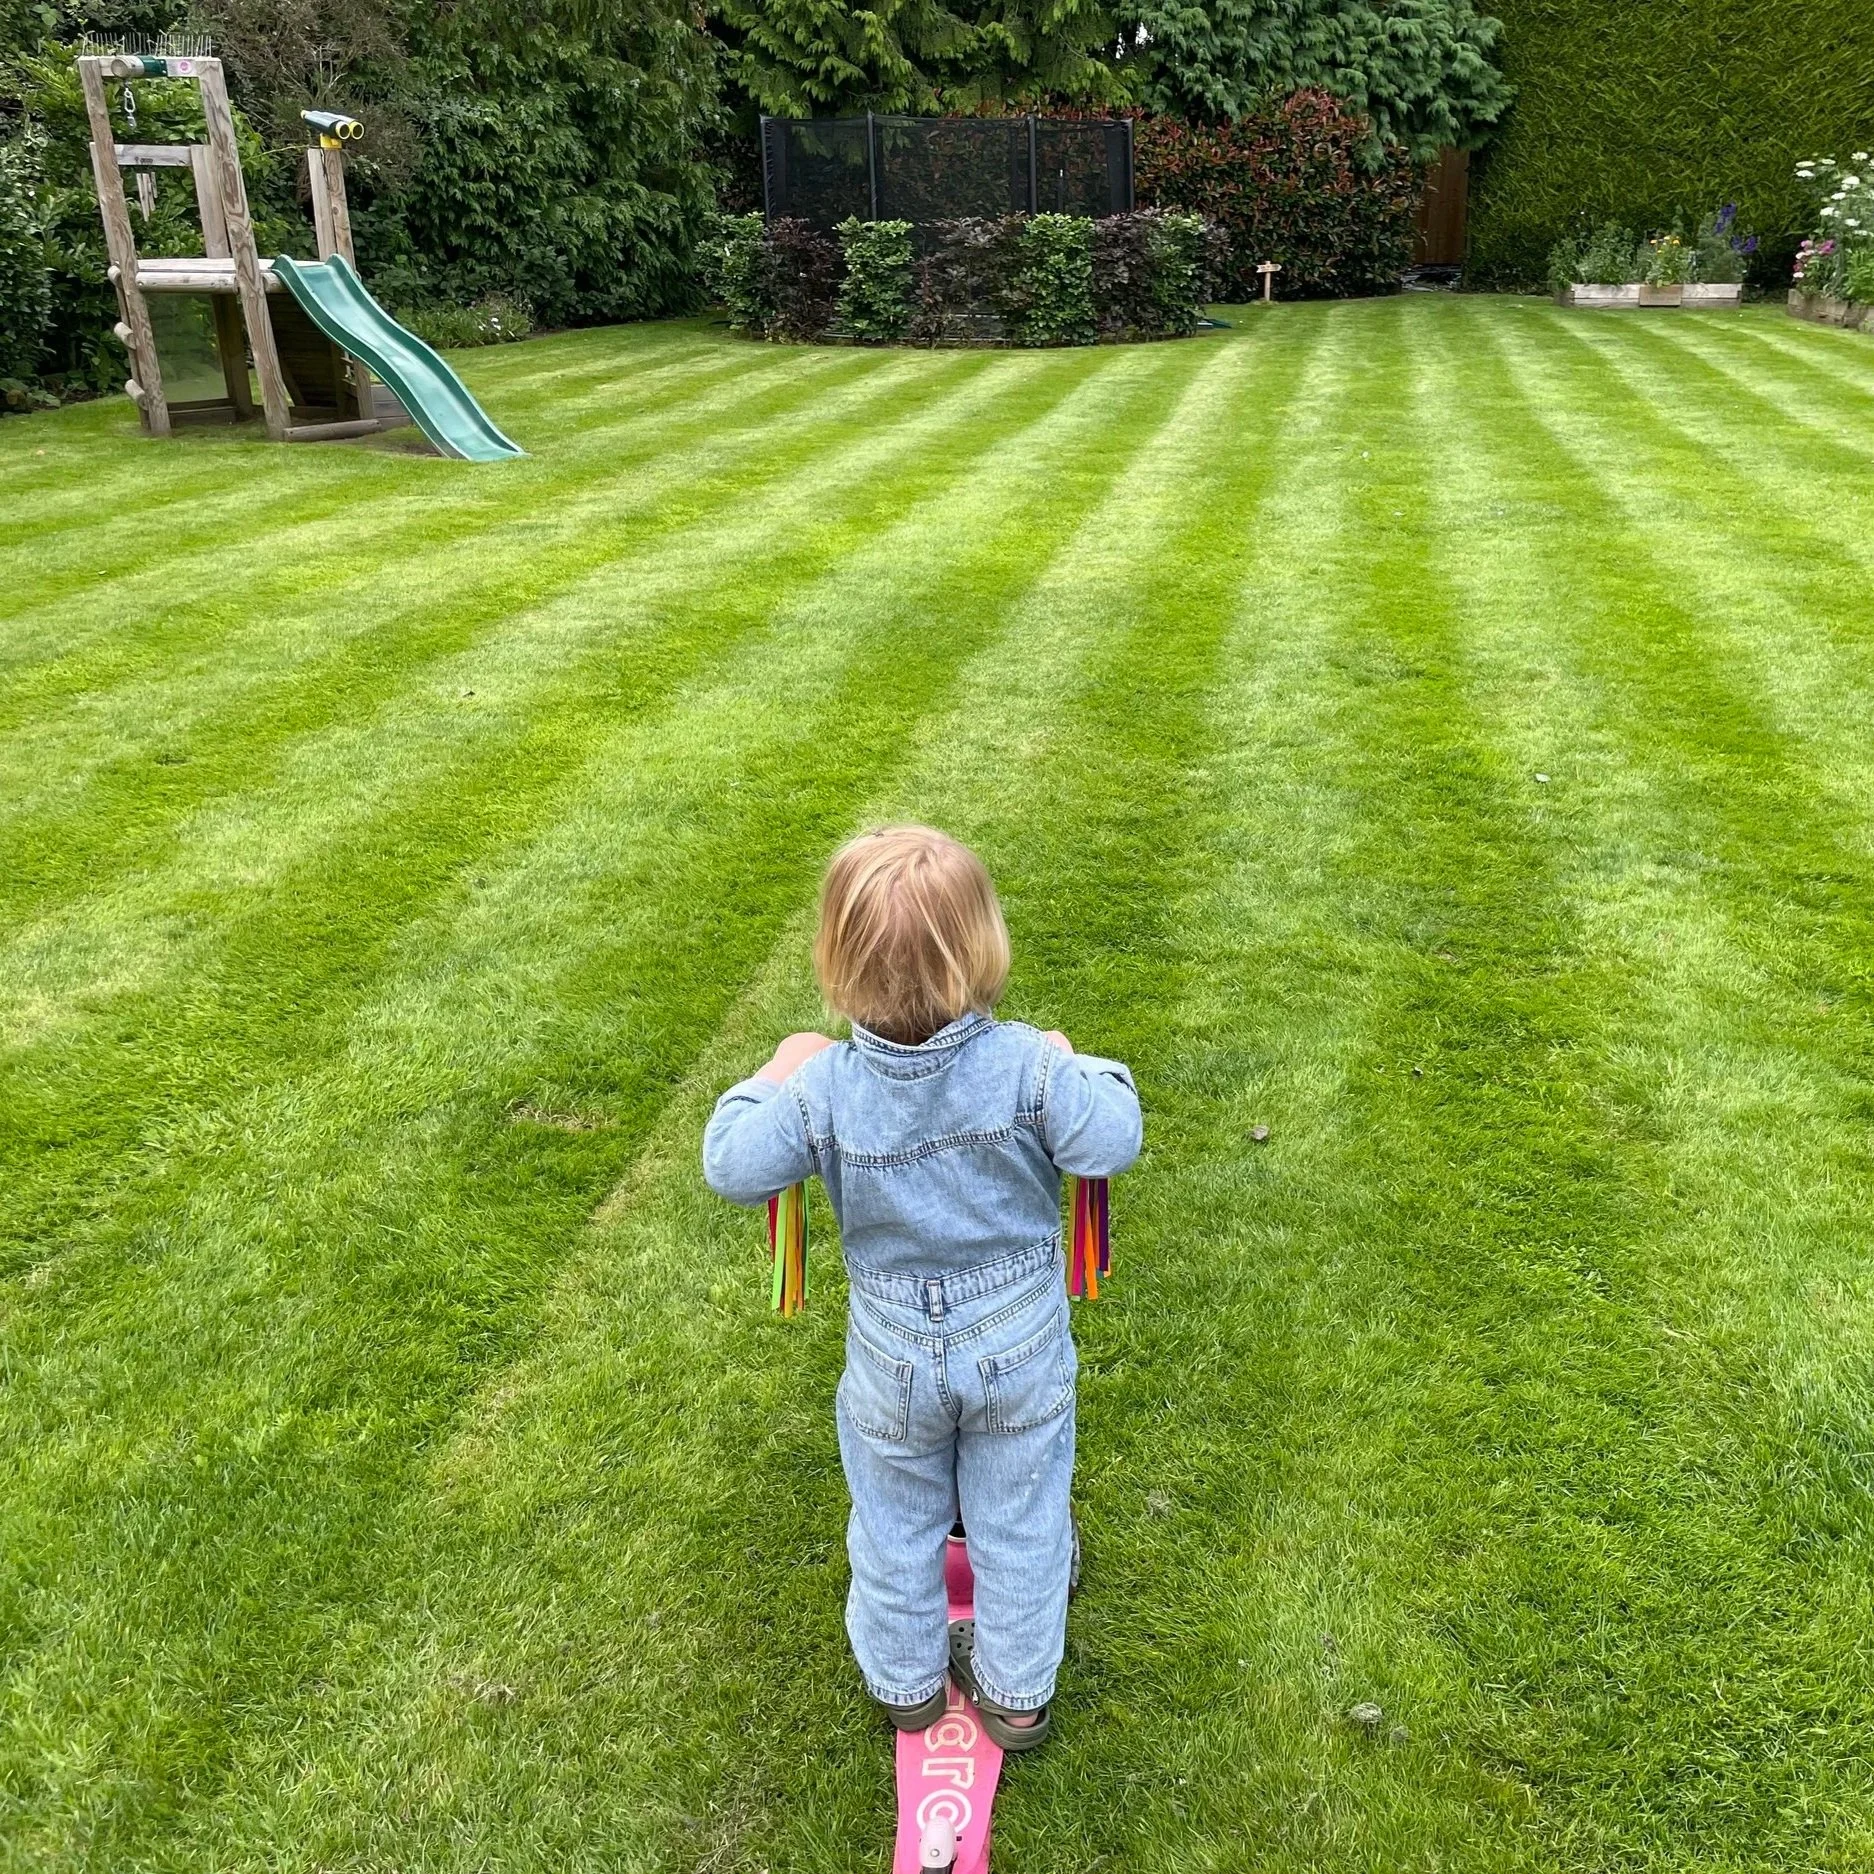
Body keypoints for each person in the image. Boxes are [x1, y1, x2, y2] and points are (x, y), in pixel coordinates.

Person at [702, 825, 1142, 1750]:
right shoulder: (1028, 1065)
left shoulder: (822, 1087)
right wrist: (1077, 1061)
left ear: (836, 961)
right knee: (1020, 1517)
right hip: (1018, 1340)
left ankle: (907, 1686)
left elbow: (734, 1163)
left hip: (892, 1352)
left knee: (895, 1515)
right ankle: (1015, 1696)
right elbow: (1112, 1134)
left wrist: (770, 1075)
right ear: (983, 950)